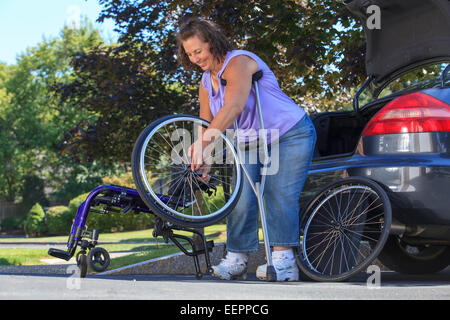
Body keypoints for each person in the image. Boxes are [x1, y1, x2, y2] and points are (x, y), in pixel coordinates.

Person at [176, 17, 316, 281]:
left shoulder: (238, 61)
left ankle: (284, 262)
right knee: (239, 196)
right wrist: (202, 157)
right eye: (189, 54)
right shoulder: (206, 82)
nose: (194, 58)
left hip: (289, 133)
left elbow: (233, 107)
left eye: (198, 51)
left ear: (212, 43)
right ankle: (237, 259)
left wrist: (203, 144)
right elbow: (205, 124)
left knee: (277, 192)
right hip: (250, 141)